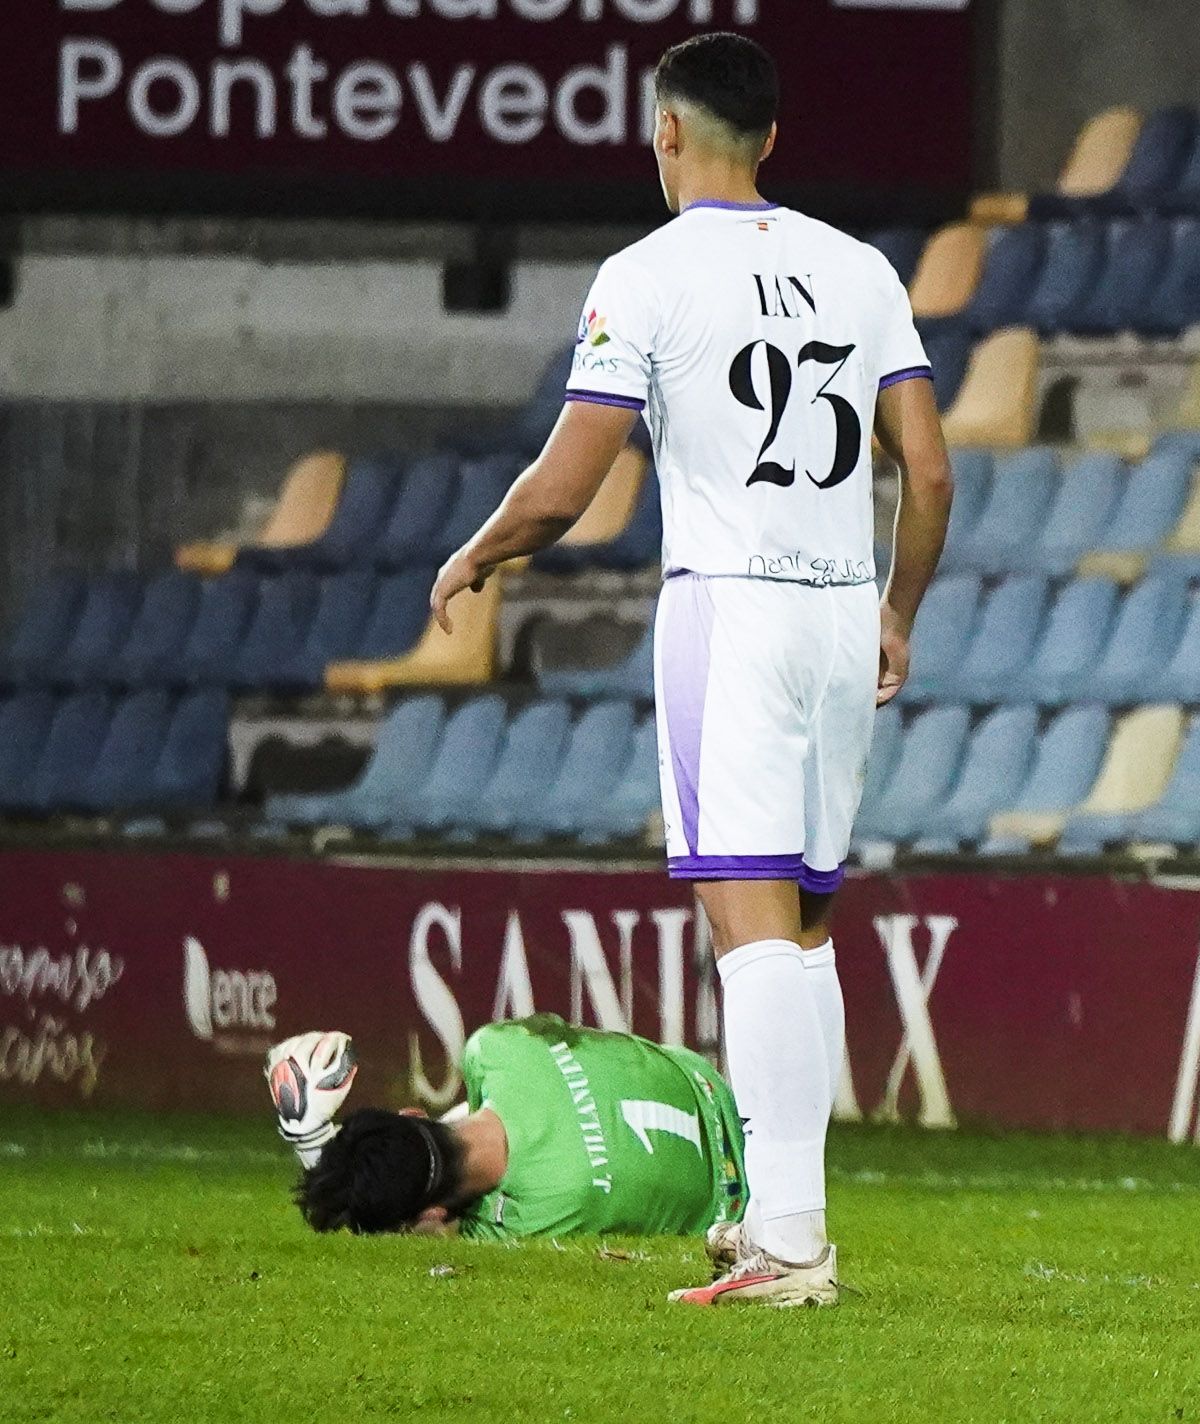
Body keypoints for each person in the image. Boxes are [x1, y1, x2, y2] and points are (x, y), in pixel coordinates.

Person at [428, 33, 953, 1306]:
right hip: (839, 615)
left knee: (745, 919)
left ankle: (790, 1248)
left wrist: (476, 554)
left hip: (733, 609)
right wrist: (897, 608)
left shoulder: (644, 275)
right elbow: (927, 471)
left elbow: (568, 481)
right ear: (769, 139)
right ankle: (783, 1217)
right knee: (808, 929)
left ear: (665, 134)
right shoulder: (861, 265)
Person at [274, 1020, 749, 1249]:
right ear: (412, 1111)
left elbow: (445, 1230)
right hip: (708, 1083)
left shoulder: (522, 1226)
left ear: (432, 1212)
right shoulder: (496, 1049)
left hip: (732, 1201)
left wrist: (310, 1145)